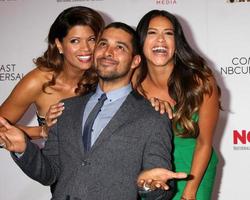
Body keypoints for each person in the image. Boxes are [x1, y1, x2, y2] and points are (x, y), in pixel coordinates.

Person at [0, 22, 177, 200]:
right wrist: (24, 148)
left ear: (135, 61)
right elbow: (49, 173)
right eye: (103, 44)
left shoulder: (153, 117)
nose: (108, 52)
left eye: (120, 47)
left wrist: (148, 186)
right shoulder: (65, 109)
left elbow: (161, 186)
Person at [135, 10, 220, 200]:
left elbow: (204, 143)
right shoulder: (133, 85)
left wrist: (190, 193)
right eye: (152, 33)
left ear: (176, 42)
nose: (160, 40)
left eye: (168, 33)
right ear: (141, 40)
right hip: (151, 173)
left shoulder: (200, 81)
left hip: (194, 171)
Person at [0, 6, 104, 138]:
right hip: (54, 158)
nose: (86, 48)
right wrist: (42, 131)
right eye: (75, 41)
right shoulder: (38, 81)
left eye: (92, 39)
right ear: (59, 45)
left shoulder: (106, 76)